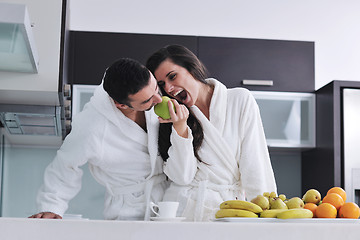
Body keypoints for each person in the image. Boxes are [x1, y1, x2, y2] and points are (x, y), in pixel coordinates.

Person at [146, 45, 277, 221]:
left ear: (191, 67)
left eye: (172, 76)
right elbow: (181, 177)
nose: (168, 88)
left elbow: (255, 164)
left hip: (228, 210)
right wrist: (180, 126)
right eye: (162, 84)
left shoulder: (239, 100)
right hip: (182, 212)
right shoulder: (171, 117)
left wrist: (266, 216)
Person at [29, 58, 168, 220]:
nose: (159, 99)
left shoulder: (152, 94)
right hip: (128, 209)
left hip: (169, 201)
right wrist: (51, 207)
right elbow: (65, 165)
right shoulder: (92, 126)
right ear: (120, 105)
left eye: (156, 88)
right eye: (147, 100)